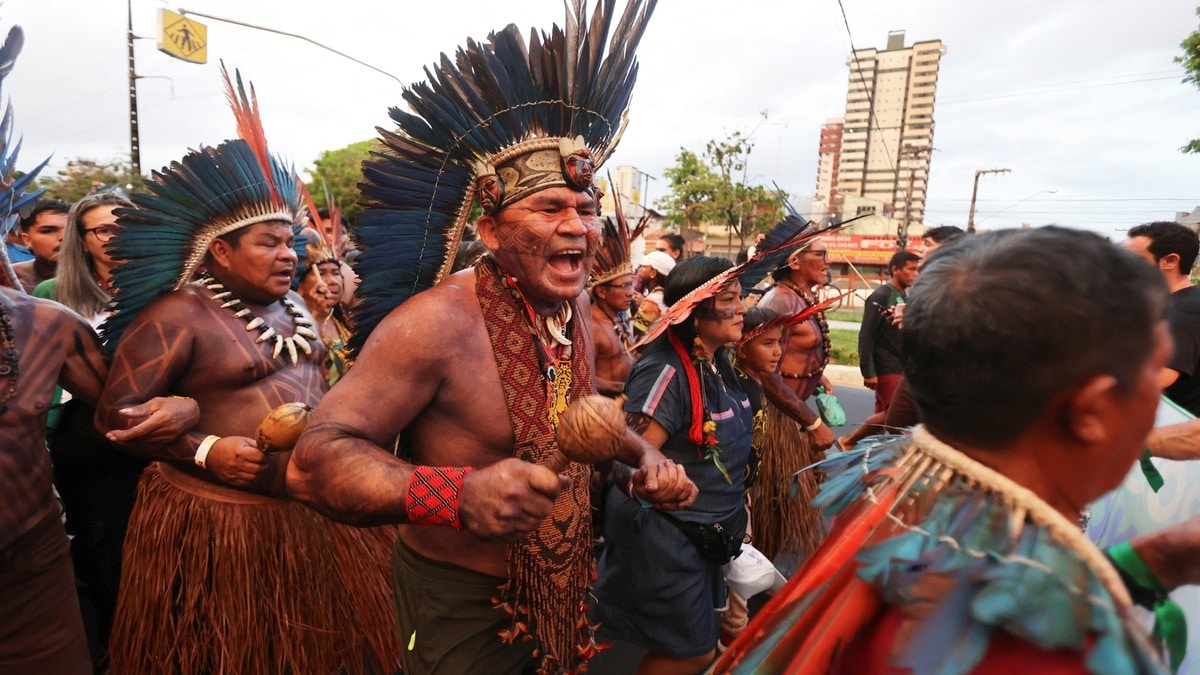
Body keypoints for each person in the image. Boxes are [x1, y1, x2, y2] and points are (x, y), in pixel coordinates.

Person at [287, 3, 695, 673]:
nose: (577, 227)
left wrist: (637, 460)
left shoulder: (574, 305)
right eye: (549, 207)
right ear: (493, 227)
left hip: (563, 588)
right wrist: (458, 494)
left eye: (586, 210)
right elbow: (315, 460)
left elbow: (574, 421)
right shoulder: (435, 323)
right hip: (462, 605)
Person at [715, 227, 1181, 673]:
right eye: (1154, 369)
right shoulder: (1060, 651)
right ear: (1093, 409)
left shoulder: (896, 497)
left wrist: (1149, 564)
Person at [95, 73, 400, 674]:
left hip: (315, 510)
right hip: (221, 526)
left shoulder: (295, 307)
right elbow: (113, 416)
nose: (290, 255)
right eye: (270, 243)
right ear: (221, 252)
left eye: (293, 243)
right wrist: (205, 448)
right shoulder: (179, 315)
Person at [0, 26, 198, 673]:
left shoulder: (46, 324)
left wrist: (190, 418)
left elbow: (127, 413)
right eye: (95, 232)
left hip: (33, 571)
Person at [592, 256, 753, 674]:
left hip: (703, 536)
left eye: (741, 297)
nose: (743, 308)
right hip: (667, 539)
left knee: (696, 643)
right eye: (730, 300)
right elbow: (626, 457)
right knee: (693, 650)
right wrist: (647, 483)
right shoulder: (665, 370)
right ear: (696, 315)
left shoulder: (718, 362)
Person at [755, 240, 836, 451]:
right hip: (776, 419)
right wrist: (812, 422)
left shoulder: (801, 298)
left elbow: (792, 350)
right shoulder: (781, 301)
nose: (828, 262)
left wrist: (815, 374)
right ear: (794, 262)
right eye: (821, 254)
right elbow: (765, 371)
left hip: (791, 416)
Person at [1124, 221, 1200, 416]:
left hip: (1173, 431)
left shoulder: (1182, 311)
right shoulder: (1180, 302)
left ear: (1170, 261)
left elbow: (1160, 376)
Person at [858, 249, 920, 414]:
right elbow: (866, 334)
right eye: (911, 269)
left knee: (883, 415)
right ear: (895, 270)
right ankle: (849, 440)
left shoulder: (905, 296)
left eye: (917, 270)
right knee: (896, 415)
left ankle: (858, 441)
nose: (916, 274)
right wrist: (868, 371)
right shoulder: (881, 295)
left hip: (901, 365)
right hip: (886, 366)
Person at [590, 216, 637, 396]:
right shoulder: (593, 326)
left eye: (631, 284)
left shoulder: (619, 316)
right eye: (624, 286)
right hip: (605, 410)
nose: (631, 293)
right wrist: (623, 388)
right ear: (602, 292)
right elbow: (582, 376)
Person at [11, 198, 67, 292]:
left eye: (71, 230)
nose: (63, 237)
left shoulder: (97, 278)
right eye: (48, 231)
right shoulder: (7, 278)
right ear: (27, 239)